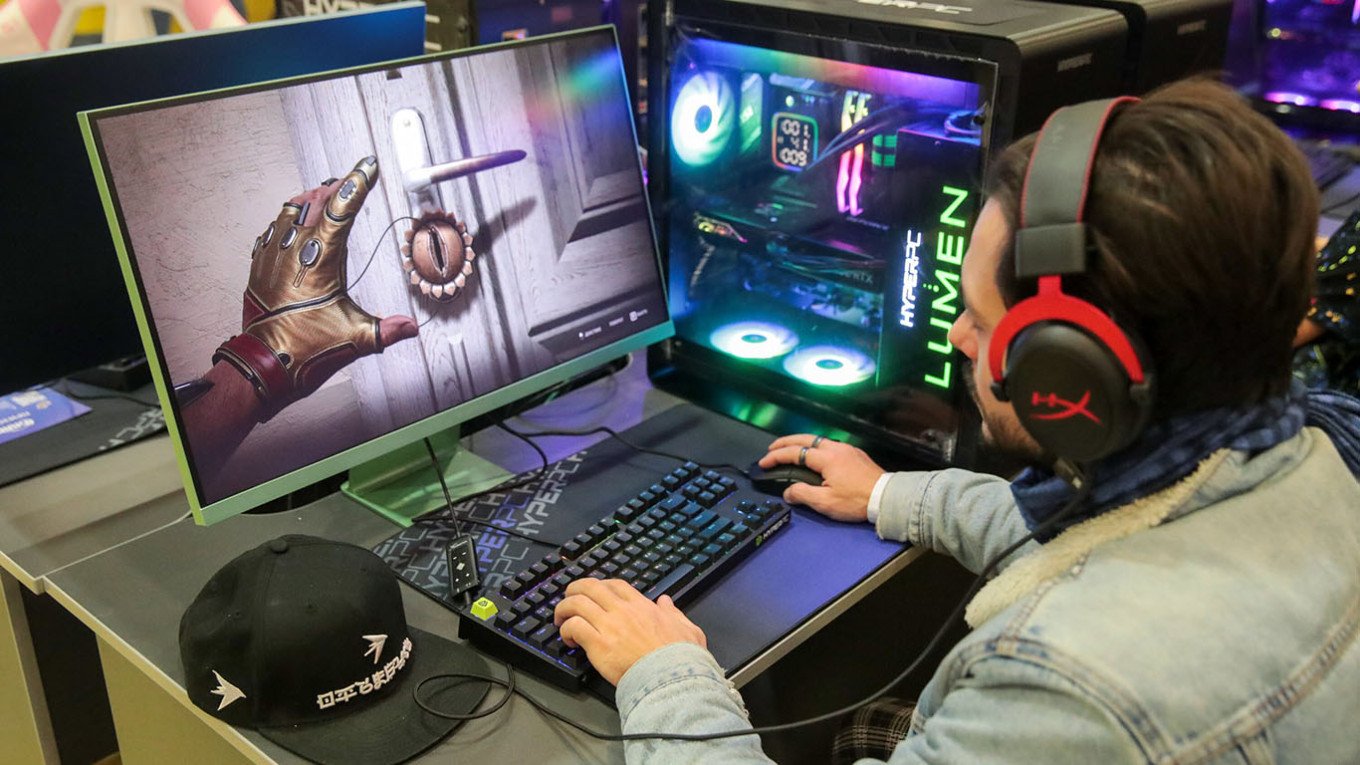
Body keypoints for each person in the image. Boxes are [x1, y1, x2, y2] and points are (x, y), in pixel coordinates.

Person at [551, 79, 1360, 763]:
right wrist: (888, 493)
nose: (958, 338)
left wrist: (667, 673)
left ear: (1075, 372)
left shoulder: (1070, 690)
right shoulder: (1309, 452)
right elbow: (1102, 528)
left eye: (980, 316)